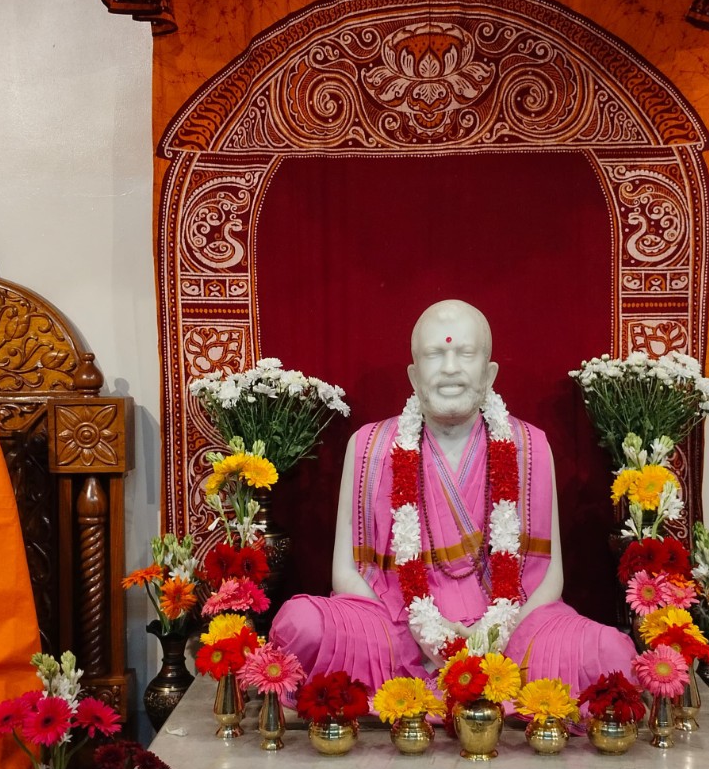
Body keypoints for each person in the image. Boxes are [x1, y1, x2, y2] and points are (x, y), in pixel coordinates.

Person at [270, 299, 635, 697]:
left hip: (510, 632)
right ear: (413, 374)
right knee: (299, 624)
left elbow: (550, 577)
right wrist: (426, 633)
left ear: (490, 372)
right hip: (394, 628)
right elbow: (345, 572)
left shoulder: (529, 446)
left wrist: (489, 636)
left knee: (611, 654)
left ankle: (462, 680)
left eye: (465, 353)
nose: (449, 368)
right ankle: (435, 679)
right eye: (434, 354)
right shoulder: (370, 446)